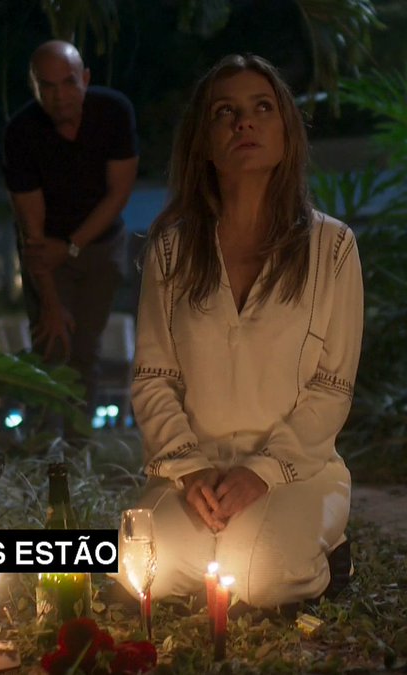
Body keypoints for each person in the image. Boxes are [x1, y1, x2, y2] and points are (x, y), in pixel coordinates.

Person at [125, 54, 364, 609]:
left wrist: (261, 472)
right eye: (225, 112)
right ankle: (224, 542)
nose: (244, 123)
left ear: (287, 132)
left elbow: (332, 386)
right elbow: (153, 377)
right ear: (205, 142)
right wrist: (190, 470)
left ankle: (327, 552)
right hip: (195, 474)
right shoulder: (172, 249)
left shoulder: (332, 247)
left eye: (262, 108)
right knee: (139, 565)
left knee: (260, 576)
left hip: (295, 471)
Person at [2, 40, 139, 421]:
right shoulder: (22, 133)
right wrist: (49, 302)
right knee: (52, 344)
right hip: (47, 249)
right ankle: (44, 441)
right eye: (47, 86)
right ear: (34, 87)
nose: (59, 95)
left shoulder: (113, 112)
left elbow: (119, 192)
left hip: (101, 243)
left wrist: (73, 246)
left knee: (86, 349)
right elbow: (32, 232)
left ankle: (78, 443)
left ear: (85, 79)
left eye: (68, 82)